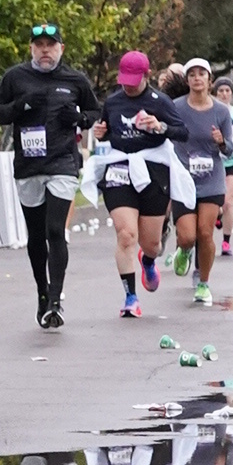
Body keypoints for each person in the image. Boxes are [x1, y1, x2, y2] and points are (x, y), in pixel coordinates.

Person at [0, 22, 101, 331]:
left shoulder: (75, 79)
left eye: (51, 45)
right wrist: (19, 106)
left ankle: (55, 300)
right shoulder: (15, 77)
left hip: (63, 162)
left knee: (55, 229)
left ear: (61, 48)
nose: (45, 51)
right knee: (36, 235)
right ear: (31, 49)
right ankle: (42, 291)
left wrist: (79, 118)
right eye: (39, 46)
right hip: (29, 166)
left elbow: (95, 112)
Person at [91, 51, 180, 317]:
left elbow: (182, 132)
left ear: (146, 75)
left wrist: (160, 126)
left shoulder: (160, 102)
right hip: (119, 168)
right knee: (126, 234)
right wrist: (101, 133)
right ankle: (130, 297)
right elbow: (107, 131)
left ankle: (148, 260)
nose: (128, 87)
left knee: (151, 244)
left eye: (133, 81)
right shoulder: (113, 101)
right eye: (124, 81)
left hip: (153, 170)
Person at [162, 55, 233, 306]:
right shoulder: (175, 107)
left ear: (209, 80)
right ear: (187, 80)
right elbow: (165, 134)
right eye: (192, 75)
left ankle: (203, 283)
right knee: (187, 236)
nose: (197, 79)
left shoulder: (221, 111)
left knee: (205, 233)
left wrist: (221, 142)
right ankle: (184, 250)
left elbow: (229, 150)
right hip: (183, 179)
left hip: (211, 179)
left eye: (201, 74)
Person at [214, 70, 233, 257]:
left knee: (228, 202)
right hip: (215, 163)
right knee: (216, 203)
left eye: (227, 91)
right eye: (221, 91)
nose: (224, 94)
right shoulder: (210, 111)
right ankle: (217, 215)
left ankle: (226, 242)